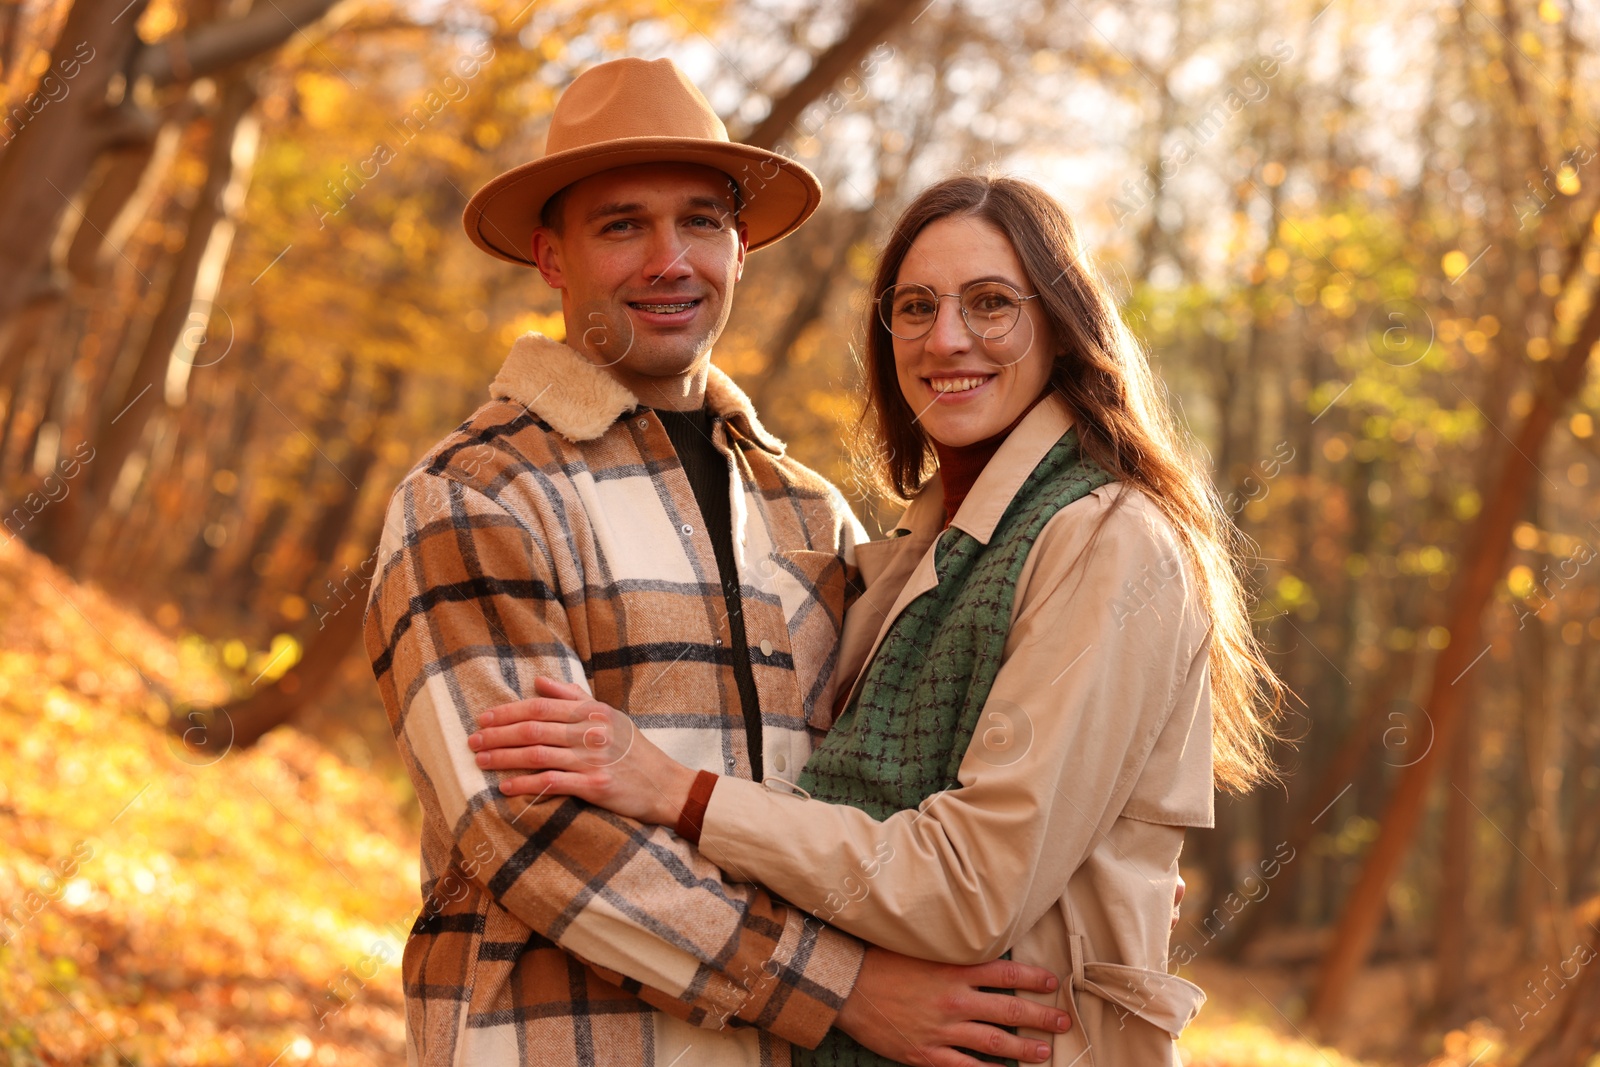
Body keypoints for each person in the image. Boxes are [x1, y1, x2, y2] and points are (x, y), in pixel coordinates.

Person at [466, 174, 1285, 1065]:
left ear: (1061, 322)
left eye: (992, 303)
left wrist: (678, 792)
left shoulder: (1107, 538)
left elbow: (972, 886)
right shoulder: (894, 553)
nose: (948, 338)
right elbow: (812, 783)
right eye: (916, 306)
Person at [364, 59, 1075, 1067]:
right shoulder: (477, 497)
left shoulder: (807, 515)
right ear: (551, 256)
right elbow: (535, 837)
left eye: (700, 221)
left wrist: (1085, 867)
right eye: (621, 225)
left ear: (739, 246)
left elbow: (901, 789)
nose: (670, 259)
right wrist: (845, 991)